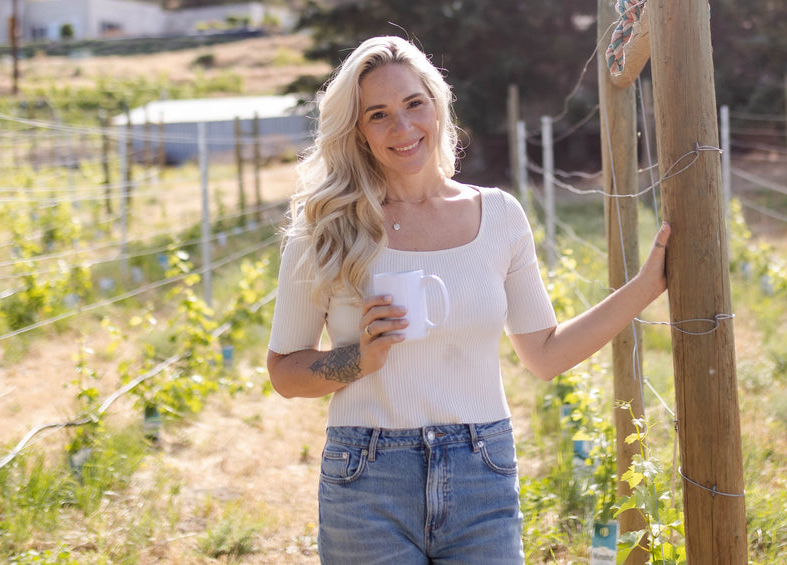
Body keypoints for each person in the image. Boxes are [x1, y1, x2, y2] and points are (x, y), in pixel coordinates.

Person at [266, 35, 670, 564]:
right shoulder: (326, 227)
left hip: (481, 468)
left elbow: (545, 355)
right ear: (358, 133)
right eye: (378, 115)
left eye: (414, 104)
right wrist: (358, 360)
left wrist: (646, 288)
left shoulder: (499, 217)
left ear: (438, 104)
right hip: (366, 473)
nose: (403, 127)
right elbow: (284, 372)